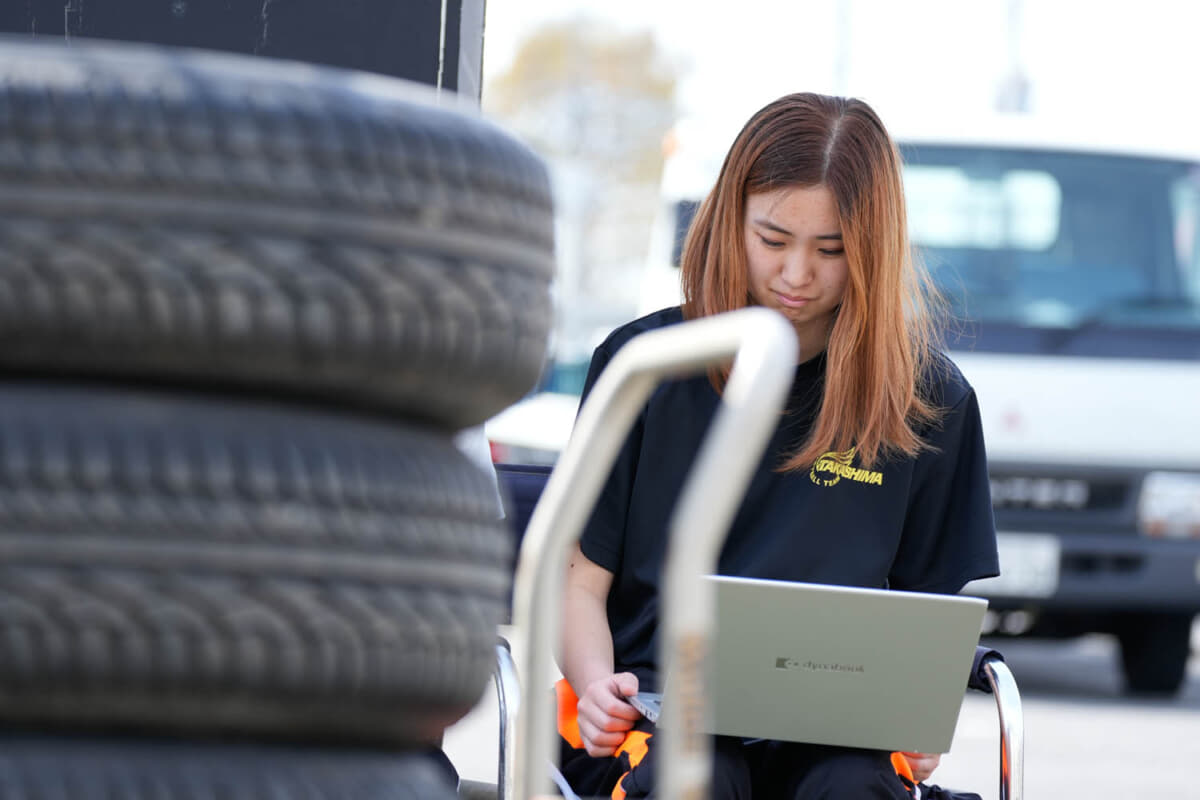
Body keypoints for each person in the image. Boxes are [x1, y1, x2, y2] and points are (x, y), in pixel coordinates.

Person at [555, 92, 1000, 799]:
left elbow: (930, 619)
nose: (796, 275)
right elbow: (579, 580)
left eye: (832, 250)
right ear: (729, 220)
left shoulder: (931, 401)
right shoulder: (644, 366)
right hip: (654, 719)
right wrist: (595, 685)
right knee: (698, 777)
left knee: (850, 789)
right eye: (772, 240)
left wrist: (923, 723)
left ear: (875, 248)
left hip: (842, 735)